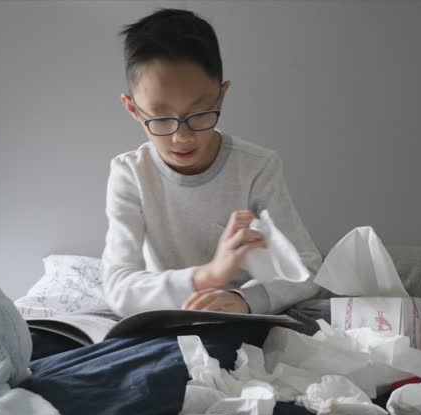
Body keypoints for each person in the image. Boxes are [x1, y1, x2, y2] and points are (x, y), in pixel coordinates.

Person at [102, 8, 322, 317]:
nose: (182, 137)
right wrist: (209, 276)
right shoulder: (130, 174)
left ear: (220, 97)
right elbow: (117, 287)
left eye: (200, 113)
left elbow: (308, 268)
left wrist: (246, 301)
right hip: (170, 317)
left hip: (239, 319)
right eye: (161, 118)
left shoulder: (257, 167)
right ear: (133, 109)